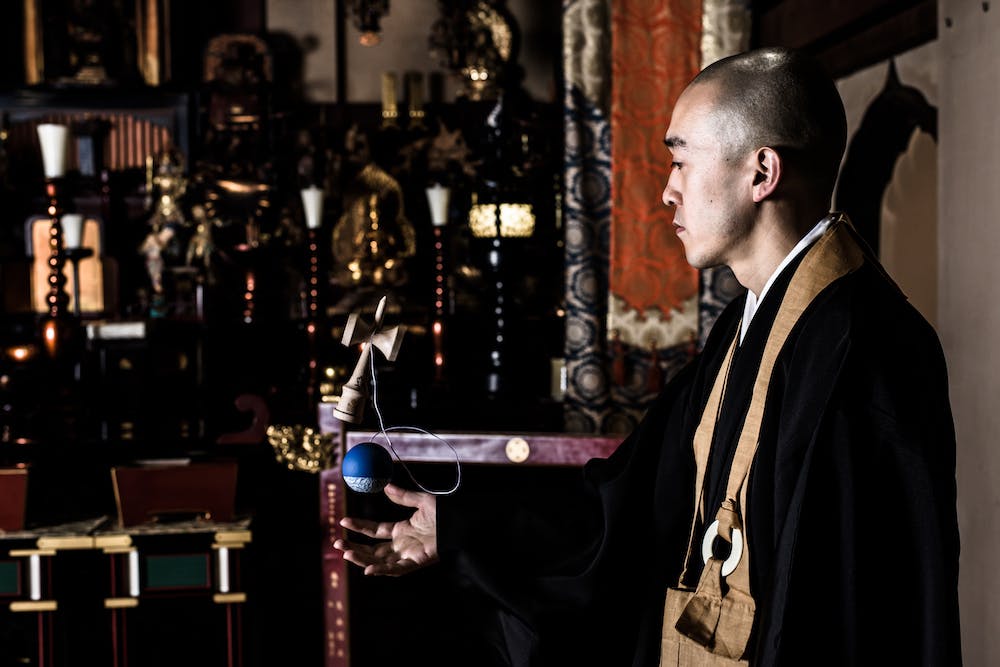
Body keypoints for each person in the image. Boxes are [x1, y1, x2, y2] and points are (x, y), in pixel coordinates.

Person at [334, 47, 961, 666]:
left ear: (761, 173)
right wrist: (463, 527)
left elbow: (857, 610)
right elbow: (630, 504)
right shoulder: (743, 325)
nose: (667, 192)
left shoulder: (863, 348)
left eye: (681, 161)